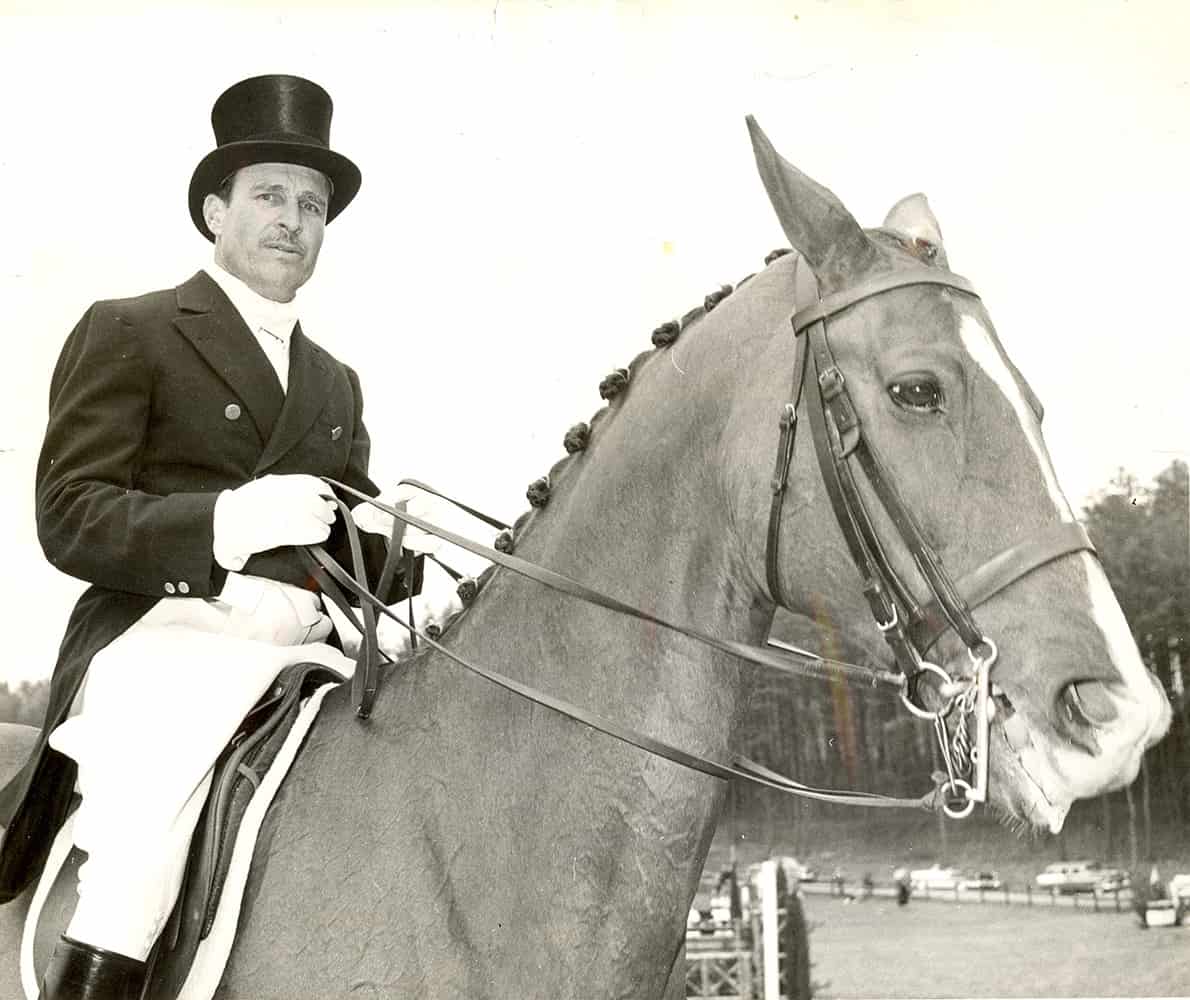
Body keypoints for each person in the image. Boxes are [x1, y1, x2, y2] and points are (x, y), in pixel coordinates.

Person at [0, 74, 458, 999]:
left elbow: (343, 539)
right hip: (165, 638)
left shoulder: (335, 383)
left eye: (313, 205)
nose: (293, 220)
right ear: (217, 211)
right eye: (270, 197)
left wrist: (417, 572)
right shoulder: (131, 330)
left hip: (300, 644)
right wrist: (220, 525)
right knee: (148, 823)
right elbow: (70, 514)